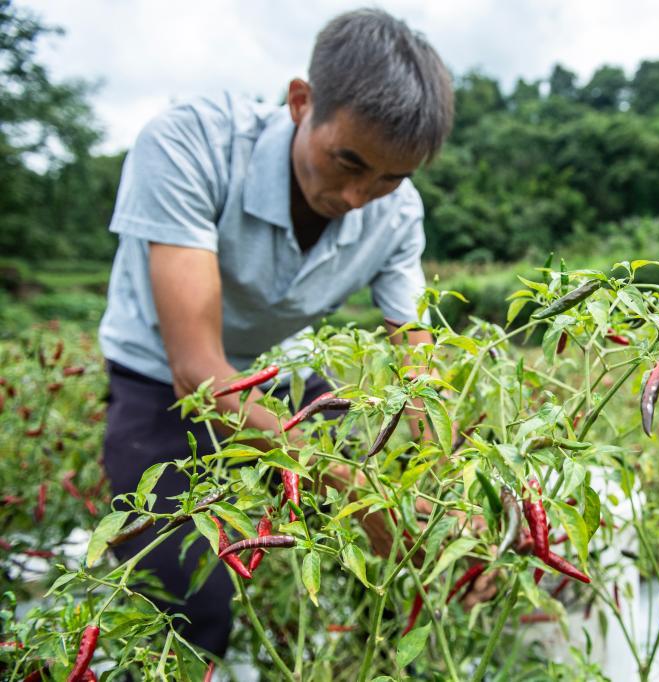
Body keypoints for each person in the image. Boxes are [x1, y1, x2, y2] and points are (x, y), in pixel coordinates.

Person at [97, 9, 495, 657]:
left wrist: (450, 493)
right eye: (348, 162)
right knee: (187, 604)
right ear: (301, 101)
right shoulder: (190, 143)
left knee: (404, 517)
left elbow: (418, 370)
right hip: (163, 376)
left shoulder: (398, 213)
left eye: (391, 177)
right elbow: (197, 373)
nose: (359, 196)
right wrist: (348, 486)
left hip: (282, 368)